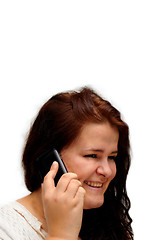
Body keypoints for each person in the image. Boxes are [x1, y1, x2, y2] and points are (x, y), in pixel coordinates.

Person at [0, 87, 133, 240]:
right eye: (92, 155)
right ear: (49, 158)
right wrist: (61, 235)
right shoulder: (5, 230)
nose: (107, 171)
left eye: (111, 157)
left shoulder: (107, 228)